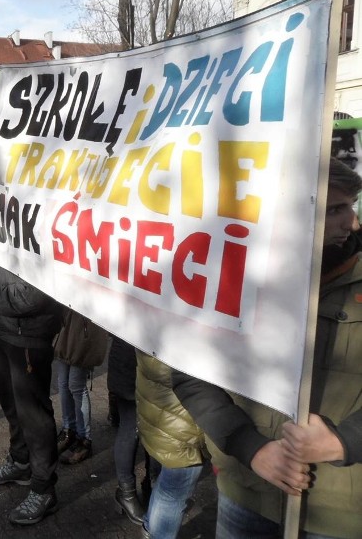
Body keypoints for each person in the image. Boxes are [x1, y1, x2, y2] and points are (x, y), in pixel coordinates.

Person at [172, 156, 362, 539]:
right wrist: (252, 448)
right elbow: (189, 373)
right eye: (335, 209)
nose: (353, 223)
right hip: (247, 495)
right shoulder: (236, 281)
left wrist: (346, 441)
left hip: (340, 517)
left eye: (351, 207)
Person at [0, 260, 64, 525]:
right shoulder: (12, 225)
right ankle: (21, 461)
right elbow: (7, 271)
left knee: (34, 415)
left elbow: (31, 297)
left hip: (30, 335)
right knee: (11, 405)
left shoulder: (45, 232)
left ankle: (44, 488)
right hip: (5, 330)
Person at [135, 351, 207, 539]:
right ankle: (156, 532)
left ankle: (150, 527)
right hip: (182, 424)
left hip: (159, 413)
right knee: (172, 493)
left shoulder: (155, 323)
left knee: (166, 484)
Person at [54, 310, 108, 465]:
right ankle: (68, 430)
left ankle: (84, 438)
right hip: (69, 324)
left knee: (75, 385)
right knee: (63, 383)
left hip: (85, 328)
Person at [107, 336, 146, 526]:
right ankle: (126, 492)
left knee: (156, 429)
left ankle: (151, 486)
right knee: (131, 427)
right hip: (130, 360)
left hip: (157, 359)